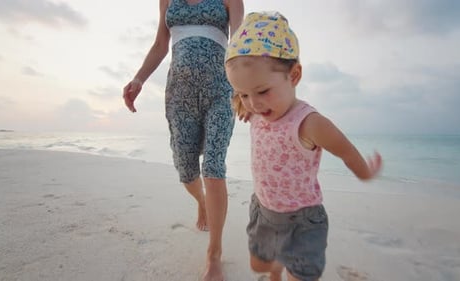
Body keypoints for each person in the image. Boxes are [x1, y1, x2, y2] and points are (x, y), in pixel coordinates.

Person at [224, 12, 383, 281]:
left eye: (261, 91)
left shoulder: (309, 124)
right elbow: (249, 97)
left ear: (294, 75)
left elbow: (345, 150)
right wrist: (242, 99)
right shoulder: (257, 108)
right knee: (259, 266)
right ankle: (275, 266)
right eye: (243, 93)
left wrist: (365, 172)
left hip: (302, 222)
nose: (254, 104)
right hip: (263, 211)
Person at [122, 0, 244, 280]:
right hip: (179, 94)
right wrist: (139, 79)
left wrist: (246, 91)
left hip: (221, 92)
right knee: (186, 169)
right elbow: (160, 45)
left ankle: (214, 255)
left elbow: (239, 43)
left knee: (214, 166)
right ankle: (202, 201)